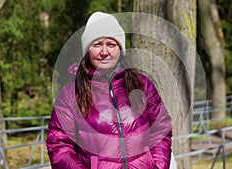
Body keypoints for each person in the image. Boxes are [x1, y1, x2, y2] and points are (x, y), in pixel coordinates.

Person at [46, 12, 172, 169]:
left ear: (120, 49)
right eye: (97, 44)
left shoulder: (142, 85)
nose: (104, 52)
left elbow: (161, 129)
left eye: (111, 44)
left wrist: (159, 166)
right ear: (87, 50)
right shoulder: (71, 95)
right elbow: (59, 145)